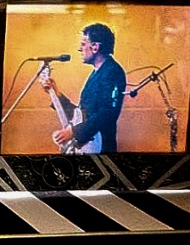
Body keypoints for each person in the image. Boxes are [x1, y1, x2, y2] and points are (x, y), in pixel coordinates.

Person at [41, 23, 127, 153]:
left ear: (95, 47)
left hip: (100, 149)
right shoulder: (97, 72)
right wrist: (56, 93)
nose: (79, 49)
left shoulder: (112, 72)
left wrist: (74, 132)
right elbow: (81, 114)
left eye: (83, 44)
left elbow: (108, 114)